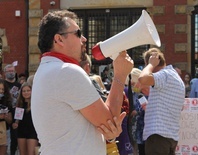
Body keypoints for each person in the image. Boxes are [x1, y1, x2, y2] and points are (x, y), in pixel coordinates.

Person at [31, 10, 133, 155]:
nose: (84, 39)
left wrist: (111, 131)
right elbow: (110, 124)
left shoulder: (46, 70)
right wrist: (120, 75)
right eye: (78, 33)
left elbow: (109, 130)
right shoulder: (66, 71)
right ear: (59, 39)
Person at [138, 48, 185, 155]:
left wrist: (150, 65)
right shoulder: (174, 77)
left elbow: (143, 78)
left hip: (158, 135)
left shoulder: (165, 75)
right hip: (169, 135)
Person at [12, 82, 38, 155]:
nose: (26, 93)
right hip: (21, 131)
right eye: (24, 91)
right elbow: (17, 119)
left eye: (28, 90)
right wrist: (15, 124)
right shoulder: (19, 104)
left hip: (32, 131)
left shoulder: (35, 103)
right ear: (21, 92)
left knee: (31, 153)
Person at [3, 64, 21, 155]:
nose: (11, 73)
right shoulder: (2, 84)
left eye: (12, 71)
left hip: (16, 114)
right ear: (4, 73)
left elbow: (21, 103)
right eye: (9, 71)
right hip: (4, 113)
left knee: (15, 138)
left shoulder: (19, 85)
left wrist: (17, 120)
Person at [0, 79, 13, 155]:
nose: (1, 91)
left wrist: (5, 116)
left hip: (4, 130)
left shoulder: (7, 102)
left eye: (2, 89)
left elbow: (10, 120)